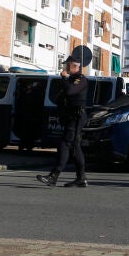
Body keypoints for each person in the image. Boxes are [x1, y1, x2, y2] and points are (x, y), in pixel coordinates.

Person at [37, 55, 89, 188]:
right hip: (70, 117)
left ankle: (53, 176)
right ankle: (81, 178)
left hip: (77, 117)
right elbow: (61, 97)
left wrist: (64, 78)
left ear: (74, 66)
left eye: (67, 65)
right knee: (75, 147)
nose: (65, 67)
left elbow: (70, 91)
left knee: (64, 144)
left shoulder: (81, 79)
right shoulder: (70, 80)